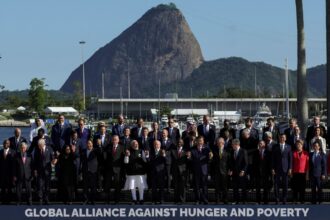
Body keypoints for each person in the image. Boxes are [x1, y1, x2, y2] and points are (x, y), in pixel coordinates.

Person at [188, 136, 212, 205]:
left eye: (201, 140)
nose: (200, 142)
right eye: (198, 141)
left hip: (204, 171)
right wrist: (189, 157)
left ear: (203, 141)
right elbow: (190, 160)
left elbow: (209, 160)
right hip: (196, 170)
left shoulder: (207, 149)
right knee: (196, 186)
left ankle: (205, 200)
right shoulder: (192, 149)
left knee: (204, 186)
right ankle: (197, 200)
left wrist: (210, 157)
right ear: (196, 141)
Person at [123, 140, 148, 205]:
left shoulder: (141, 151)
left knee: (141, 186)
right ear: (131, 145)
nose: (135, 144)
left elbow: (145, 161)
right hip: (131, 172)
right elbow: (126, 162)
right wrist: (126, 156)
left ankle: (141, 199)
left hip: (140, 172)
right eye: (134, 143)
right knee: (132, 186)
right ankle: (134, 199)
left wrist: (146, 156)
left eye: (136, 143)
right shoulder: (129, 151)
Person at [33, 138, 57, 205]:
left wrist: (54, 161)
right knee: (40, 186)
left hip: (47, 171)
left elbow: (53, 158)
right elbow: (35, 160)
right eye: (38, 145)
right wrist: (35, 169)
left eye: (39, 145)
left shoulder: (49, 149)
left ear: (43, 144)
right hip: (39, 171)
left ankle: (47, 199)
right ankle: (40, 200)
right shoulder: (37, 149)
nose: (38, 146)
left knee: (47, 186)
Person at [272, 134, 292, 204]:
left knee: (285, 185)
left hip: (285, 169)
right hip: (277, 169)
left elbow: (290, 159)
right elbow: (273, 159)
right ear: (279, 138)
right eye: (281, 137)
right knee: (276, 185)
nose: (282, 138)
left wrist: (290, 168)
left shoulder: (289, 147)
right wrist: (273, 168)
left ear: (285, 138)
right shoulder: (275, 146)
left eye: (283, 137)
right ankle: (277, 199)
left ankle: (284, 199)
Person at [104, 135, 124, 204]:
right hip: (109, 169)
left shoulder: (122, 147)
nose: (115, 140)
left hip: (118, 169)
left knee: (117, 185)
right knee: (107, 185)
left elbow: (123, 159)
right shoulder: (108, 147)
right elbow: (105, 157)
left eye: (116, 139)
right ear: (112, 140)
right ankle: (107, 200)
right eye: (113, 139)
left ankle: (117, 201)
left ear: (118, 140)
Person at [211, 138, 231, 204]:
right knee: (217, 187)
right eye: (217, 142)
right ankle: (217, 200)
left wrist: (230, 170)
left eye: (219, 142)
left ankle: (225, 200)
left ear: (223, 143)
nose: (218, 143)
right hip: (216, 172)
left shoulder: (228, 150)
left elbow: (230, 162)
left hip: (224, 172)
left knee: (225, 187)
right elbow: (212, 162)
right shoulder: (214, 150)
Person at [229, 139, 248, 204]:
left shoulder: (243, 151)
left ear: (236, 144)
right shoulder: (232, 151)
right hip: (234, 173)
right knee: (235, 187)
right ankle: (236, 200)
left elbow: (246, 163)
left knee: (243, 187)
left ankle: (244, 201)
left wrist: (243, 171)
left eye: (232, 144)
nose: (232, 146)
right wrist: (231, 170)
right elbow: (231, 162)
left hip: (241, 173)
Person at [81, 140, 98, 205]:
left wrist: (99, 145)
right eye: (88, 143)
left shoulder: (95, 151)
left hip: (93, 171)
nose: (89, 145)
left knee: (93, 187)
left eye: (90, 143)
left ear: (92, 144)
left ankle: (93, 200)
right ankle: (86, 200)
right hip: (85, 171)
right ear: (86, 144)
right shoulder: (83, 151)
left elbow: (100, 151)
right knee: (85, 187)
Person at [170, 138, 188, 204]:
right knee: (176, 186)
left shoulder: (186, 151)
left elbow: (188, 161)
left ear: (183, 143)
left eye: (181, 142)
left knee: (182, 186)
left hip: (183, 171)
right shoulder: (173, 151)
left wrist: (189, 157)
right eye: (178, 142)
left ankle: (182, 200)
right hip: (175, 171)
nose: (179, 143)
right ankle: (176, 200)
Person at [291, 140, 309, 204]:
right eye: (297, 144)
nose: (298, 145)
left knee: (302, 187)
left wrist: (307, 173)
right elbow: (291, 163)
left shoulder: (306, 153)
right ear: (296, 145)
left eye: (300, 144)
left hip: (303, 173)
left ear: (302, 145)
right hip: (295, 172)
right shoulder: (293, 153)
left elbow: (307, 164)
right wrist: (291, 172)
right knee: (295, 187)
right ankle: (295, 199)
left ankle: (302, 200)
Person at [0, 139, 16, 204]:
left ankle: (9, 201)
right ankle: (3, 201)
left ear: (9, 144)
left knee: (9, 188)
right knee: (2, 188)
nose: (6, 144)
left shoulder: (13, 152)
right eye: (4, 143)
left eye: (7, 143)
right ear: (3, 144)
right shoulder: (0, 152)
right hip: (2, 173)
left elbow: (14, 165)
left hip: (10, 174)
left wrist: (14, 174)